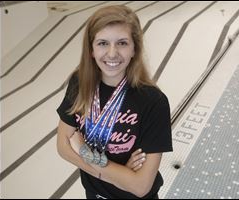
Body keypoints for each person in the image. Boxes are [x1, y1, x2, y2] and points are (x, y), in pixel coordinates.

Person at [56, 5, 173, 199]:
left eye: (122, 43)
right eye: (102, 43)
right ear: (91, 49)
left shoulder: (153, 102)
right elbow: (63, 146)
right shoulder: (80, 83)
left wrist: (84, 151)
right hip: (93, 194)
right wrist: (118, 174)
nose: (112, 53)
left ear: (135, 48)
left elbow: (140, 186)